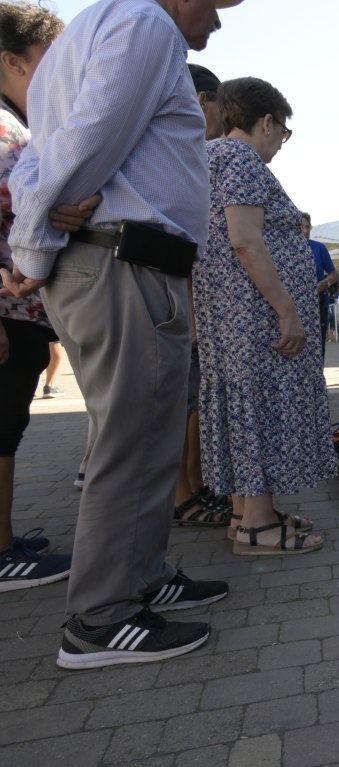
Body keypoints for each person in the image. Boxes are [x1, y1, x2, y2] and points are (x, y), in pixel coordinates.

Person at [3, 0, 239, 669]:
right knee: (133, 440)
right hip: (123, 263)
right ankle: (101, 618)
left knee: (147, 432)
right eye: (219, 4)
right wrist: (39, 231)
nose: (218, 23)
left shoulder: (92, 29)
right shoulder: (145, 24)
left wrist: (39, 225)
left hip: (117, 261)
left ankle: (142, 576)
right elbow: (84, 143)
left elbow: (43, 154)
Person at [194, 76, 334, 557]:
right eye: (283, 133)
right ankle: (257, 525)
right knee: (261, 407)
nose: (280, 144)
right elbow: (245, 239)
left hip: (228, 318)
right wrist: (287, 310)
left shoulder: (210, 156)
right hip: (252, 318)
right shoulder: (241, 159)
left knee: (242, 407)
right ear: (267, 122)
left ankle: (245, 514)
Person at [0, 1, 71, 593]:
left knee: (9, 425)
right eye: (47, 62)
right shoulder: (3, 128)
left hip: (19, 307)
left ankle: (6, 538)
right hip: (6, 309)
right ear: (12, 63)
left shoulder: (16, 124)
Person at [172, 60, 231, 529]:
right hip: (176, 293)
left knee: (190, 400)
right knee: (182, 402)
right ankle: (182, 493)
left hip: (186, 294)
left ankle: (193, 485)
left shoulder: (193, 154)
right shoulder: (181, 152)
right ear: (202, 102)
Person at [300, 212, 337, 354]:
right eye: (301, 227)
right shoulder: (286, 249)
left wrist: (324, 283)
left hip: (318, 300)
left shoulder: (318, 248)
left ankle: (318, 374)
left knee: (318, 341)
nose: (304, 230)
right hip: (294, 302)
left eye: (307, 227)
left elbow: (333, 274)